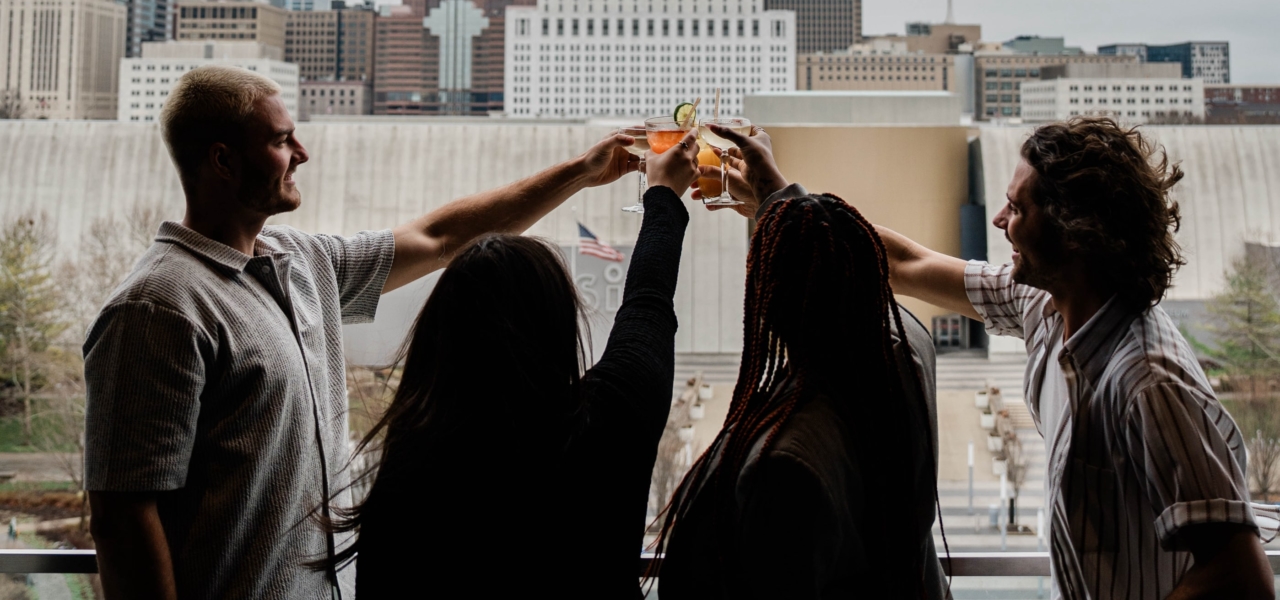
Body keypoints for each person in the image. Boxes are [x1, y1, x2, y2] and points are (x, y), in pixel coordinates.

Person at [83, 65, 643, 600]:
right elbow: (122, 516)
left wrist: (583, 171)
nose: (302, 154)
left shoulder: (305, 263)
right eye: (282, 141)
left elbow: (442, 238)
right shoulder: (156, 309)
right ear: (223, 161)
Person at [708, 118, 1278, 600]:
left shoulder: (1147, 381)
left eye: (1016, 207)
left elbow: (1242, 578)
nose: (1001, 222)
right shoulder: (1047, 306)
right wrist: (779, 201)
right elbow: (905, 263)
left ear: (1076, 232)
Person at [335, 130, 700, 597]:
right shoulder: (609, 422)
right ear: (557, 325)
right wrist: (663, 198)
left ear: (436, 338)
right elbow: (648, 303)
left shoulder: (404, 484)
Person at [653, 182, 948, 597]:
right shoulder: (908, 348)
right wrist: (782, 200)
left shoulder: (786, 466)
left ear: (766, 302)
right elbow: (837, 270)